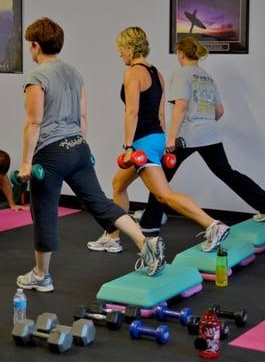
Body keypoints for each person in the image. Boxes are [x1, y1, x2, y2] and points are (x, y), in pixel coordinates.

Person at [16, 18, 166, 293]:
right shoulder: (74, 72)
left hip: (50, 153)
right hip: (79, 148)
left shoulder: (36, 77)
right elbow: (83, 116)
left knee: (45, 211)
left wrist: (26, 162)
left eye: (30, 45)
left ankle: (41, 275)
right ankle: (146, 244)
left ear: (35, 46)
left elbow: (34, 122)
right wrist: (80, 145)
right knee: (101, 204)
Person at [87, 27, 230, 254]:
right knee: (118, 184)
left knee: (164, 194)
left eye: (121, 49)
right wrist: (163, 143)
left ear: (129, 47)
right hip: (156, 138)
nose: (120, 54)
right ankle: (112, 236)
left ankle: (213, 225)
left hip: (142, 142)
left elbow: (132, 112)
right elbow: (161, 115)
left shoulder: (133, 72)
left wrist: (128, 146)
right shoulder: (157, 73)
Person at [133, 36, 265, 234]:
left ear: (181, 53)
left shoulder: (182, 74)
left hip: (186, 137)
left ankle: (151, 222)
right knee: (227, 172)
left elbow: (182, 106)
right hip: (210, 135)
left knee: (160, 176)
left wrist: (171, 137)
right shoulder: (206, 76)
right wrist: (205, 124)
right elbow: (219, 111)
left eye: (177, 52)